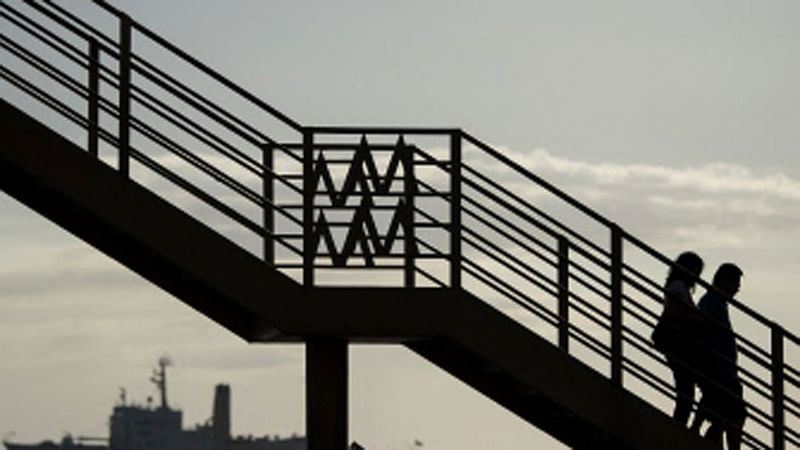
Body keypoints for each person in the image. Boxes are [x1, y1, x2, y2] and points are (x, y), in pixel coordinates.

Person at [689, 263, 746, 450]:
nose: (737, 289)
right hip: (719, 371)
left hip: (721, 370)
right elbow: (707, 335)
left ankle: (704, 436)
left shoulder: (715, 302)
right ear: (723, 281)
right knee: (733, 414)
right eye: (735, 283)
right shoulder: (712, 302)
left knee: (725, 414)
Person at [652, 251, 705, 427]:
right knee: (686, 391)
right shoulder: (677, 286)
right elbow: (674, 311)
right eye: (696, 271)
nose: (697, 277)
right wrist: (697, 318)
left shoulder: (677, 286)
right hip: (674, 342)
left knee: (686, 390)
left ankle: (679, 428)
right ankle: (678, 430)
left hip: (674, 342)